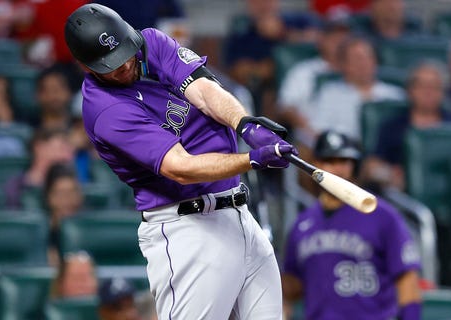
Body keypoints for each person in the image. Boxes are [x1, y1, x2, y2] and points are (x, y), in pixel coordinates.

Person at [64, 4, 298, 319]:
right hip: (187, 229)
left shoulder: (150, 43)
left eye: (125, 53)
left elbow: (204, 90)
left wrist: (244, 124)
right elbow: (181, 168)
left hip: (239, 215)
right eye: (111, 64)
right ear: (86, 66)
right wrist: (252, 159)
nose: (124, 66)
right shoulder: (105, 110)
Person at [282, 130, 422, 320]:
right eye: (329, 161)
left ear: (354, 166)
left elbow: (407, 281)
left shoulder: (381, 214)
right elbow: (293, 285)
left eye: (343, 161)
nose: (336, 169)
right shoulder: (302, 224)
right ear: (316, 166)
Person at [362, 61, 451, 191]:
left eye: (434, 86)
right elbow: (371, 167)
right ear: (410, 90)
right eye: (422, 86)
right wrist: (388, 174)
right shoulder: (392, 126)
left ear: (443, 92)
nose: (428, 92)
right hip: (402, 195)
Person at [277, 14, 351, 147]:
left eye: (344, 38)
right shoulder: (304, 71)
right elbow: (286, 107)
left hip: (350, 137)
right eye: (334, 38)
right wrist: (311, 133)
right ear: (321, 40)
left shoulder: (356, 72)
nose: (340, 43)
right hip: (311, 137)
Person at [310, 36, 404, 140]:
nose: (363, 64)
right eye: (356, 58)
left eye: (367, 57)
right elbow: (317, 131)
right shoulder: (330, 94)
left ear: (376, 61)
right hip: (342, 152)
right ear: (343, 64)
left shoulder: (395, 95)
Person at [4, 128, 75, 208]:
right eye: (62, 148)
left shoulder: (74, 187)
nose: (68, 156)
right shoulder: (16, 186)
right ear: (39, 147)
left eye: (70, 151)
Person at [44, 163, 84, 267]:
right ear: (49, 197)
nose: (67, 200)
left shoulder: (88, 232)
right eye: (61, 193)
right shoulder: (41, 235)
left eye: (72, 192)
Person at [35, 66, 74, 130]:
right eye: (46, 90)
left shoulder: (83, 128)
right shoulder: (27, 131)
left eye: (57, 90)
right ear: (37, 95)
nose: (52, 96)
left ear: (69, 92)